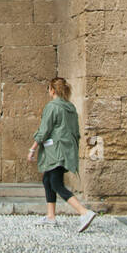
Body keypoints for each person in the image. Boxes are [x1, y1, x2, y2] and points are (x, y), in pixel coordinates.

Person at [28, 76, 96, 232]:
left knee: (56, 183)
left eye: (49, 90)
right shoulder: (70, 107)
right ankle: (51, 216)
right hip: (67, 149)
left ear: (52, 90)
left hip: (55, 151)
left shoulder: (52, 107)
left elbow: (44, 130)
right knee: (47, 179)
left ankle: (84, 212)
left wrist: (32, 149)